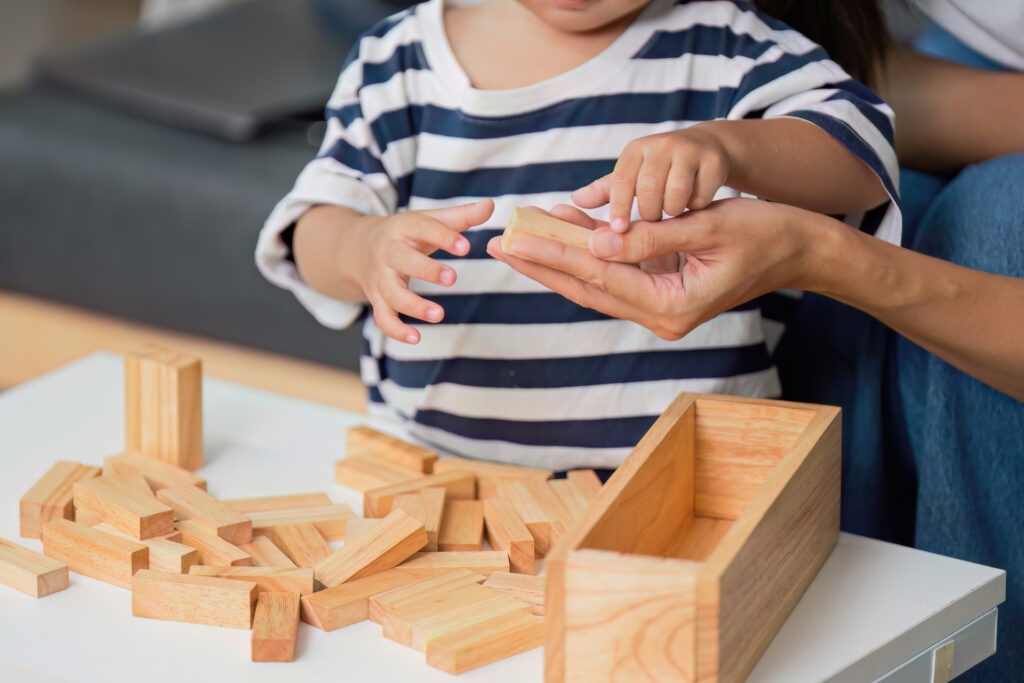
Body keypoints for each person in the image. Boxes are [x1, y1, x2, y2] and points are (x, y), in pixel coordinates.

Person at [487, 6, 1024, 677]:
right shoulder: (405, 53)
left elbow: (854, 132)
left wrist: (795, 216)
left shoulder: (727, 38)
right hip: (958, 64)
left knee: (992, 224)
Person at [255, 0, 899, 471]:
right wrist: (359, 249)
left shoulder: (728, 45)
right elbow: (313, 224)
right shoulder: (394, 63)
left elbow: (862, 159)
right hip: (433, 472)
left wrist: (731, 147)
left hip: (697, 476)